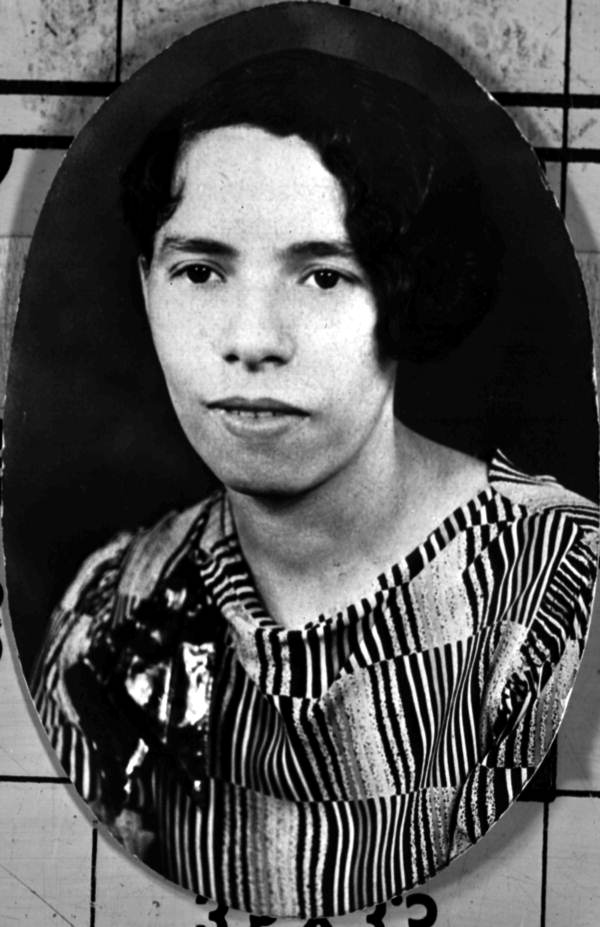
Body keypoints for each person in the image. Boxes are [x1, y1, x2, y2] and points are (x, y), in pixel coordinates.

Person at [32, 50, 598, 918]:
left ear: (405, 290)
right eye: (200, 270)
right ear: (147, 286)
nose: (252, 338)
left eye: (324, 275)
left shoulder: (546, 595)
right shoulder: (114, 605)